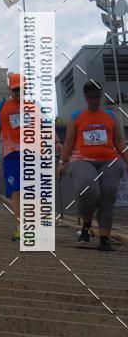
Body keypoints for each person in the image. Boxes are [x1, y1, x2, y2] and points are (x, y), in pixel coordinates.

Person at [58, 80, 127, 251]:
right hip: (83, 159)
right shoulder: (76, 117)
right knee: (88, 188)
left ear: (101, 96)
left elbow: (119, 142)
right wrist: (62, 162)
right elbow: (68, 143)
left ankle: (104, 239)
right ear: (85, 98)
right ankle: (87, 225)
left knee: (108, 193)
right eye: (90, 98)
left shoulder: (110, 116)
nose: (94, 101)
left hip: (109, 159)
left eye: (97, 97)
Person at [0, 73, 26, 240]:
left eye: (22, 90)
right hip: (11, 156)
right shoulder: (2, 107)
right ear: (10, 89)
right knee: (16, 191)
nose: (18, 93)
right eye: (15, 90)